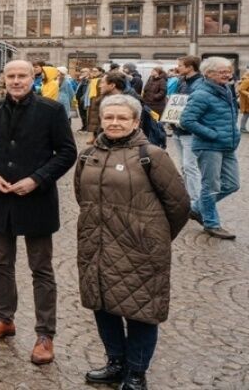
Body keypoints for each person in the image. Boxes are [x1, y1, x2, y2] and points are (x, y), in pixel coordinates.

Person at [74, 94, 189, 390]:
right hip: (96, 244)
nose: (114, 123)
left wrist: (154, 237)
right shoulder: (88, 155)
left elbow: (179, 206)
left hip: (141, 249)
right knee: (102, 304)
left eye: (121, 118)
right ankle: (115, 362)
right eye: (109, 117)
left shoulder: (152, 155)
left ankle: (136, 372)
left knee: (141, 311)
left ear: (136, 122)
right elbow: (81, 196)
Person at [0, 59, 77, 365]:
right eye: (11, 76)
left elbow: (68, 152)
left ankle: (45, 333)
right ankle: (5, 319)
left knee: (41, 268)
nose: (16, 81)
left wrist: (37, 179)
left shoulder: (52, 110)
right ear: (3, 79)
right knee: (1, 264)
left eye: (22, 76)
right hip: (1, 197)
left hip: (36, 199)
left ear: (33, 78)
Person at [180, 57, 240, 240]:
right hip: (209, 146)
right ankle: (211, 223)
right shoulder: (201, 93)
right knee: (211, 186)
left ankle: (196, 208)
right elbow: (186, 121)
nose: (228, 75)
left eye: (228, 71)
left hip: (227, 144)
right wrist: (213, 134)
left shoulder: (225, 89)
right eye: (223, 72)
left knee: (232, 184)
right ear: (209, 73)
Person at [169, 56, 204, 208]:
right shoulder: (182, 81)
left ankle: (196, 201)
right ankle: (188, 195)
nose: (178, 68)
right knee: (184, 166)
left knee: (190, 166)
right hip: (178, 128)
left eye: (180, 65)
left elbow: (197, 106)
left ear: (190, 67)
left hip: (189, 131)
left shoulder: (200, 83)